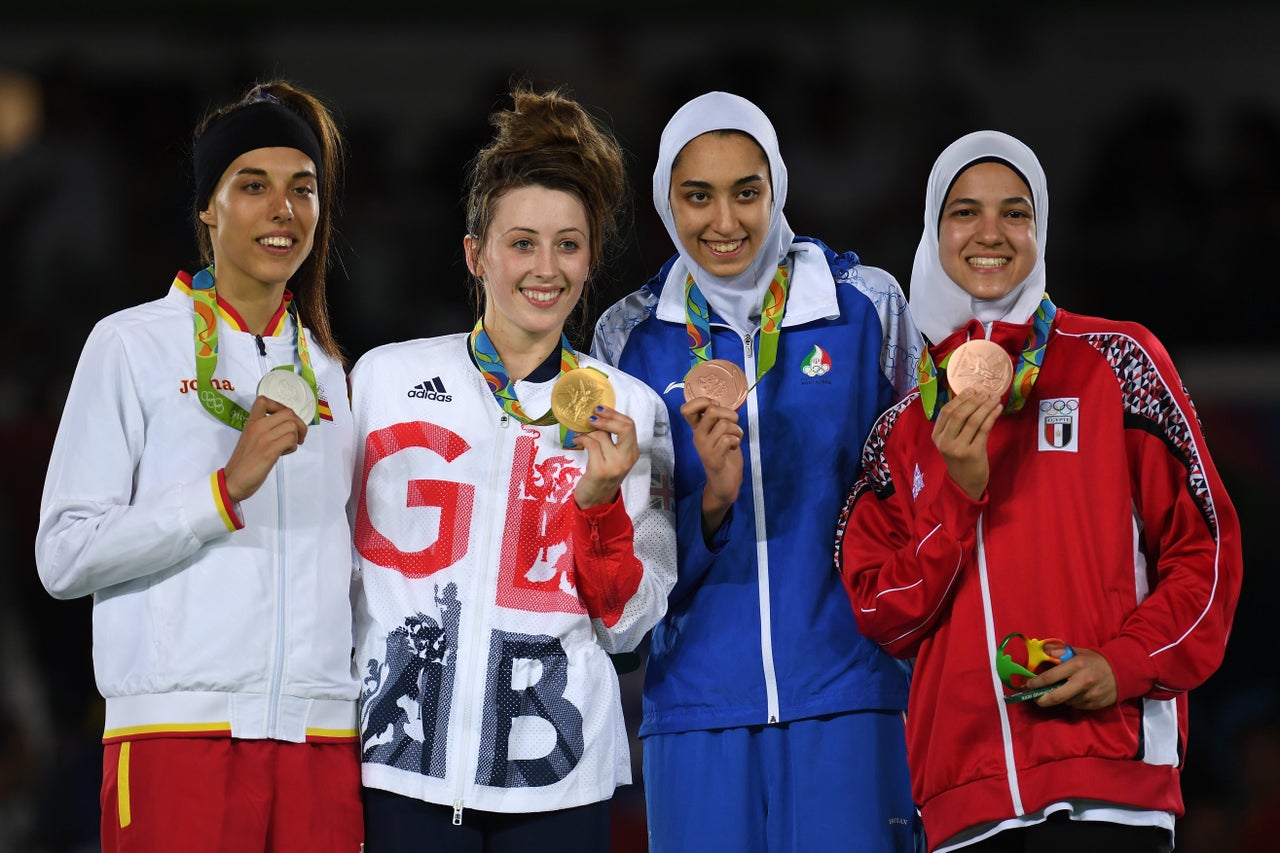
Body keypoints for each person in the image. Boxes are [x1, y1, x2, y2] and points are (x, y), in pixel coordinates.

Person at [836, 130, 1243, 852]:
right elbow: (881, 613)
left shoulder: (1119, 361)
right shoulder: (900, 430)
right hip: (968, 799)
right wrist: (957, 498)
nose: (990, 233)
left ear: (1041, 228)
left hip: (1109, 783)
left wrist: (1123, 665)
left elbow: (1206, 554)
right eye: (964, 211)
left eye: (1014, 212)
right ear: (934, 231)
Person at [591, 91, 924, 852]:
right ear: (665, 201)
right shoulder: (630, 338)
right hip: (696, 709)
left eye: (747, 192)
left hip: (852, 696)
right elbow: (625, 546)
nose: (725, 222)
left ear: (777, 186)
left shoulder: (866, 307)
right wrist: (710, 502)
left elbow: (914, 496)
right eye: (697, 197)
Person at [34, 80, 362, 850]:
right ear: (208, 208)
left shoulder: (330, 372)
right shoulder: (130, 346)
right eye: (253, 186)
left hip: (319, 745)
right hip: (176, 737)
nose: (283, 209)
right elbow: (63, 551)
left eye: (302, 188)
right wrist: (220, 492)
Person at [349, 84, 677, 853]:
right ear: (476, 253)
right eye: (521, 242)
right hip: (397, 772)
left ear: (592, 257)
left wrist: (598, 503)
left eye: (568, 243)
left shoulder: (633, 412)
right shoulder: (382, 381)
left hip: (558, 779)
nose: (546, 267)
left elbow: (631, 624)